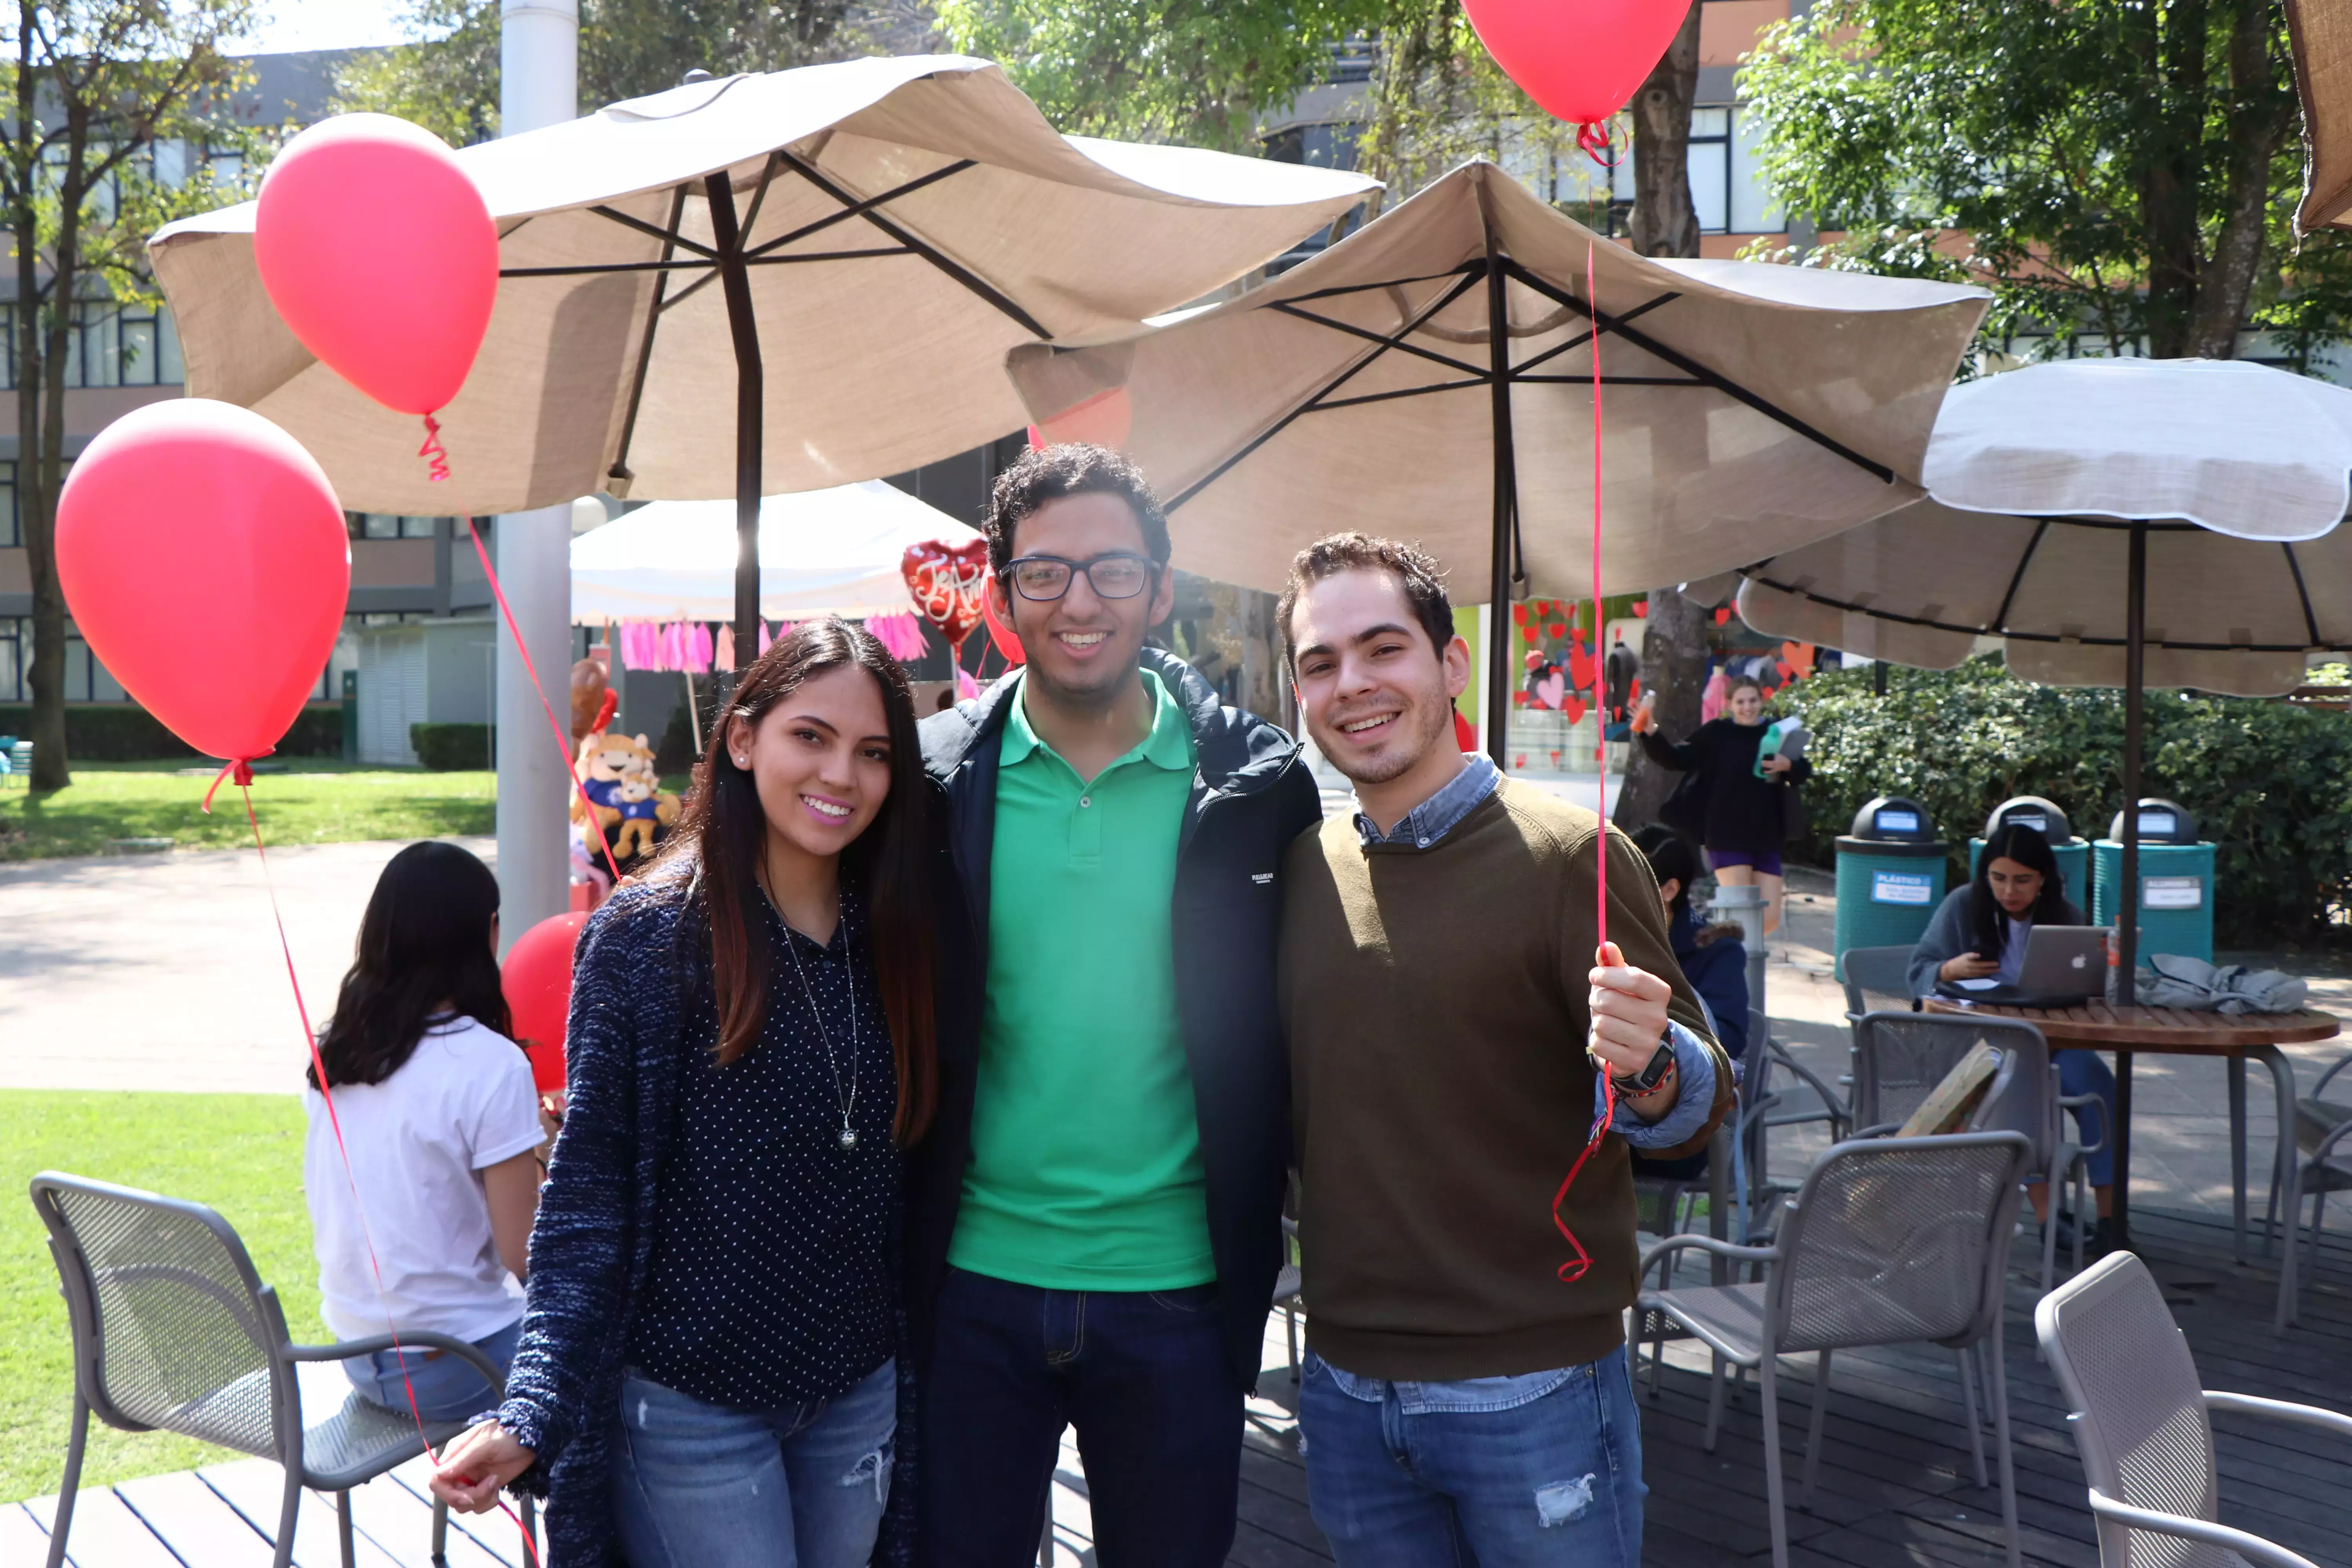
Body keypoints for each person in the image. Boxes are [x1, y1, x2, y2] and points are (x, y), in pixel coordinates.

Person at [430, 619, 938, 1568]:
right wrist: (534, 1403)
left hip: (857, 1391)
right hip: (690, 1408)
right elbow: (586, 1199)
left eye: (873, 753)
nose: (842, 775)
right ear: (743, 738)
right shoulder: (646, 937)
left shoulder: (900, 932)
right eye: (811, 736)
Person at [1276, 533, 1733, 1566]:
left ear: (1449, 665)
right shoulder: (1301, 866)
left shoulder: (1575, 855)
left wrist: (1655, 1063)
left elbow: (1702, 1105)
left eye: (1382, 648)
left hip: (1535, 1393)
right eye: (1320, 662)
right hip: (1343, 1387)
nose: (1352, 683)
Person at [909, 443, 1321, 1565]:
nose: (1078, 602)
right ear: (1001, 598)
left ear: (1161, 589)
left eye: (1112, 571)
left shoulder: (1258, 784)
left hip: (1180, 1289)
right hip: (971, 1283)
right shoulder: (935, 776)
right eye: (1043, 574)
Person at [305, 840, 544, 1425]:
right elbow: (528, 1257)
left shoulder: (338, 1044)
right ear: (489, 932)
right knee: (638, 1367)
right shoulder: (490, 1064)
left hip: (360, 1357)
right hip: (461, 1364)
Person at [1909, 821, 2118, 1250]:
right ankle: (2048, 1216)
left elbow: (2090, 986)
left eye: (2023, 880)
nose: (2010, 891)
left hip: (2055, 1041)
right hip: (1980, 1048)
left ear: (2044, 879)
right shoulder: (1963, 906)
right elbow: (1917, 973)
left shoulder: (2064, 917)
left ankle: (2111, 1219)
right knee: (2026, 1085)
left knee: (2100, 1085)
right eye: (1999, 878)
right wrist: (1949, 970)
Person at [1631, 674, 1808, 936]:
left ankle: (1717, 945)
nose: (1747, 707)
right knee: (1740, 912)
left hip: (1767, 835)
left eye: (1752, 701)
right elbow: (1675, 759)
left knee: (1769, 920)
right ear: (1729, 704)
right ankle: (1736, 966)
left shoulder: (1776, 732)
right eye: (1740, 702)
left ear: (1762, 701)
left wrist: (1789, 765)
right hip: (1726, 835)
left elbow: (1804, 772)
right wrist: (1650, 732)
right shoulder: (1716, 733)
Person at [1630, 824, 1750, 1067]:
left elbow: (1728, 1041)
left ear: (1670, 890)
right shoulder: (1609, 941)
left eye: (1630, 885)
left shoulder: (1719, 952)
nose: (1616, 895)